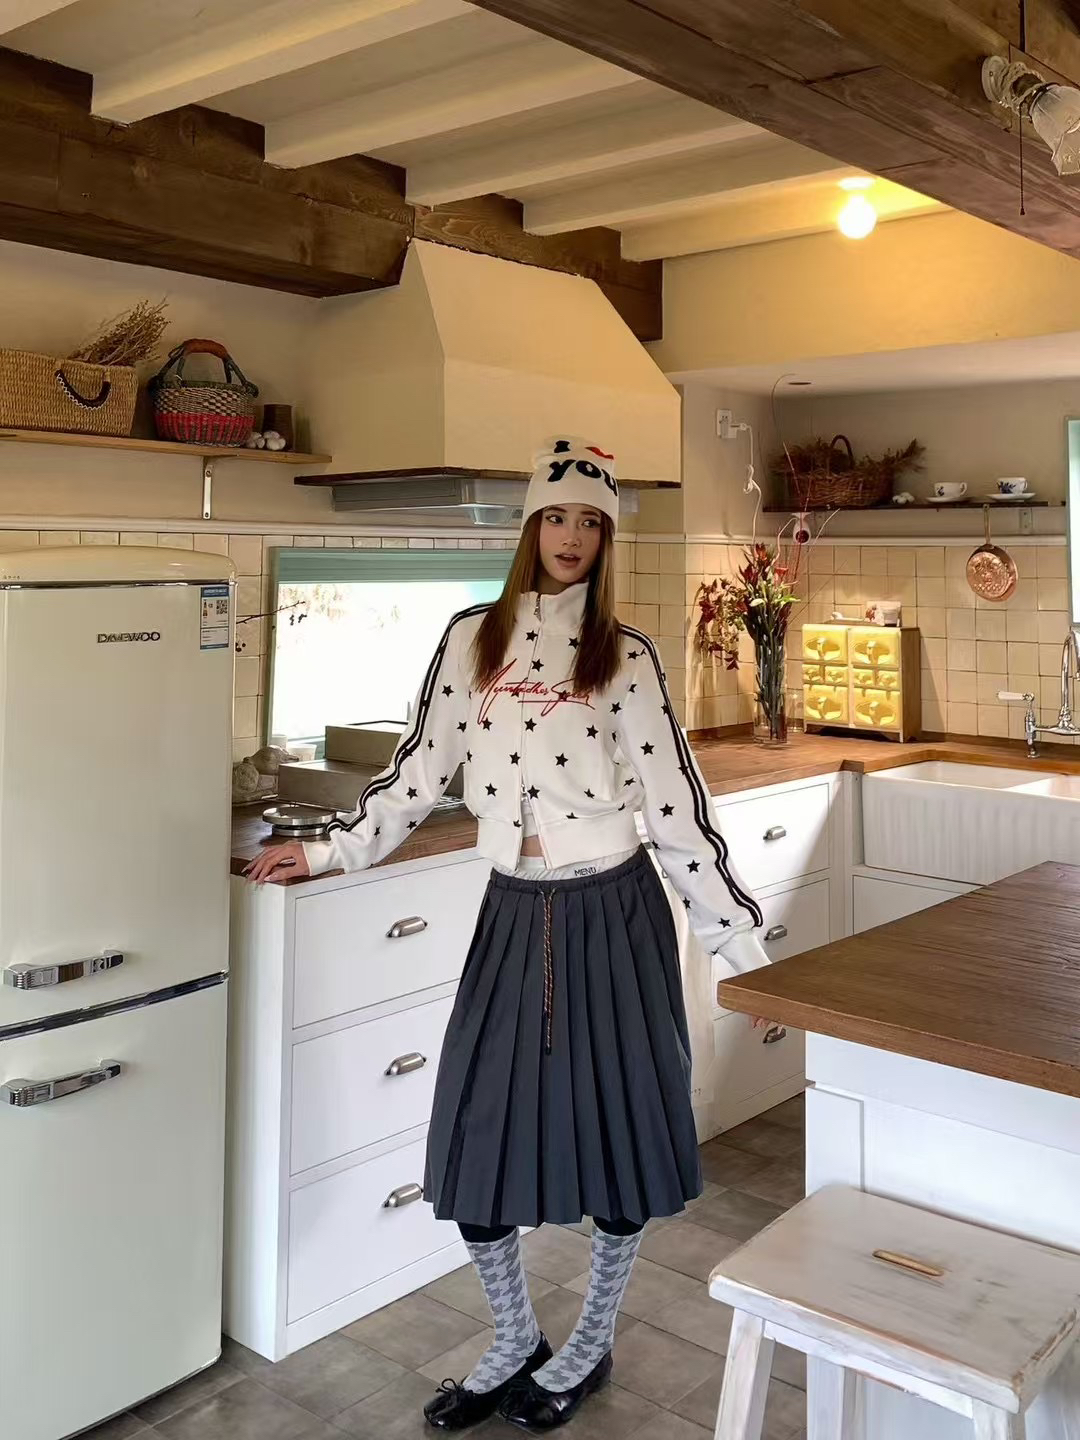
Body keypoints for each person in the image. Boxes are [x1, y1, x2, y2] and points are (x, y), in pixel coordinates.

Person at [247, 437, 770, 1432]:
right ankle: (514, 1336)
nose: (572, 536)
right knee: (473, 1136)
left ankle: (591, 1339)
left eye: (591, 522)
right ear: (530, 525)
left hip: (614, 913)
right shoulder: (469, 640)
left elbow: (676, 809)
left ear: (607, 538)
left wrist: (743, 952)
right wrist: (328, 852)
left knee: (617, 1138)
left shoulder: (626, 656)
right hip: (511, 911)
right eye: (556, 516)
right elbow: (416, 771)